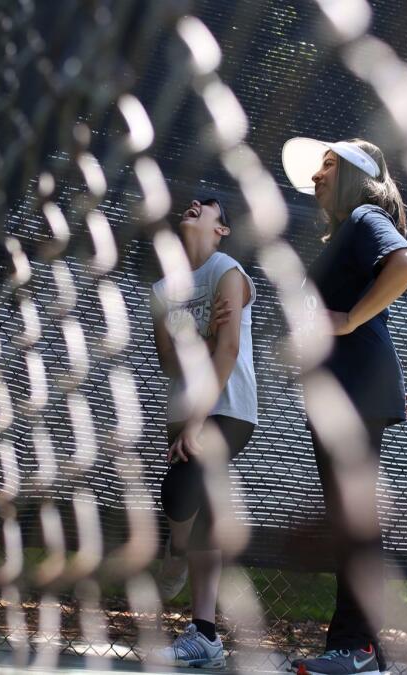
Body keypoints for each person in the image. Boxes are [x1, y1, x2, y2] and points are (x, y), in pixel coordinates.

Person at [280, 138, 407, 675]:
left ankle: (356, 649)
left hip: (352, 390)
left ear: (358, 176)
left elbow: (406, 264)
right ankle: (365, 653)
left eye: (329, 165)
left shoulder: (364, 216)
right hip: (351, 387)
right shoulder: (346, 232)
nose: (317, 177)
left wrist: (349, 321)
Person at [146, 198, 257, 669]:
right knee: (197, 508)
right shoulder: (162, 289)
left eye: (207, 206)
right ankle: (205, 633)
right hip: (183, 410)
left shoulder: (226, 271)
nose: (194, 205)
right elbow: (170, 361)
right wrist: (200, 335)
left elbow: (228, 351)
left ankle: (176, 550)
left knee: (180, 488)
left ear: (223, 230)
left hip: (228, 410)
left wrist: (195, 425)